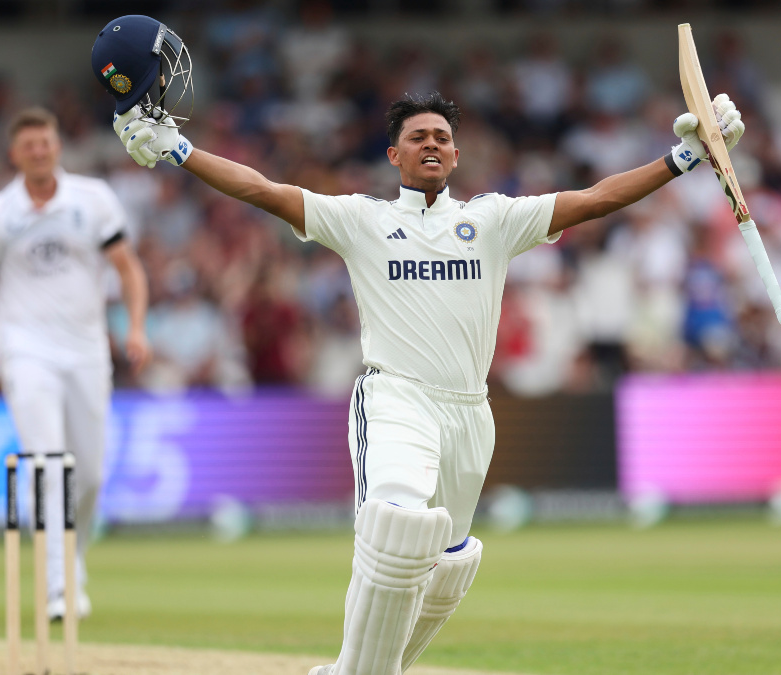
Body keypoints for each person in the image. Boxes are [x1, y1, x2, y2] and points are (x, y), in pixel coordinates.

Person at [99, 20, 742, 672]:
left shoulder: (491, 220)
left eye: (441, 137)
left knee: (449, 564)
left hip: (470, 411)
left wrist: (681, 160)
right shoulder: (363, 219)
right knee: (398, 525)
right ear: (394, 157)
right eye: (417, 137)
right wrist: (179, 150)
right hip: (396, 395)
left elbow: (595, 200)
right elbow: (263, 189)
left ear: (456, 156)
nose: (431, 144)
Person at [0, 107, 151, 621]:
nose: (39, 151)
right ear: (13, 154)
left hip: (88, 352)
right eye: (28, 145)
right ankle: (58, 585)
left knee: (92, 476)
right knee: (49, 464)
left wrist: (136, 327)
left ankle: (70, 565)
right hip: (27, 353)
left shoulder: (93, 199)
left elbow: (128, 269)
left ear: (58, 146)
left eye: (46, 142)